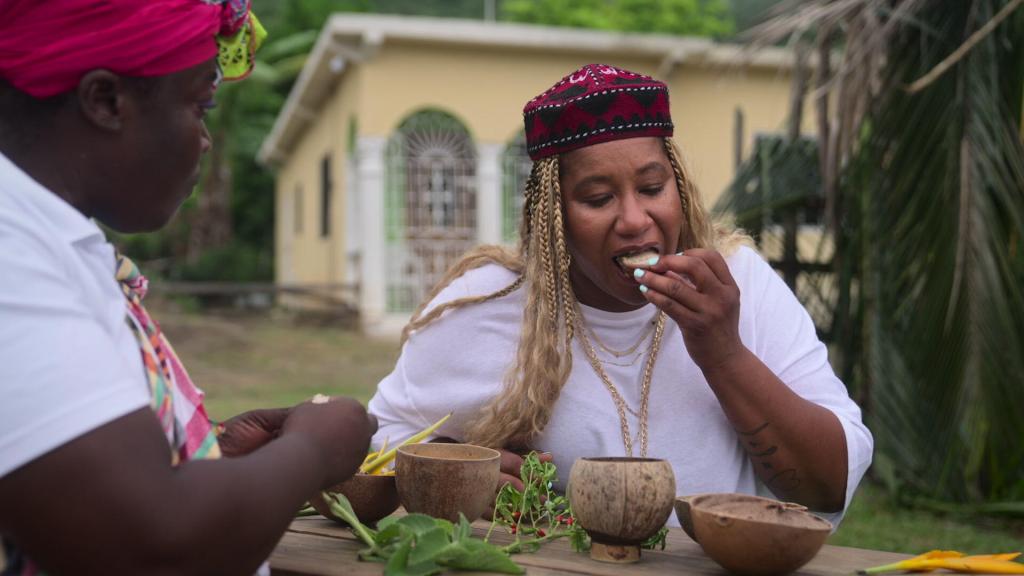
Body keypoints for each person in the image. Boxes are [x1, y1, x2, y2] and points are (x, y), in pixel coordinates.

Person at [368, 63, 873, 525]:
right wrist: (454, 471)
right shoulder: (487, 303)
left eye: (652, 189)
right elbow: (383, 438)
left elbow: (830, 482)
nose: (634, 220)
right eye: (598, 198)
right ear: (554, 218)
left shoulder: (739, 281)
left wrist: (723, 353)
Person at [0, 2, 376, 575]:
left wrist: (207, 451)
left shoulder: (48, 242)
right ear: (105, 102)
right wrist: (313, 452)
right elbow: (154, 544)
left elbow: (84, 483)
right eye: (199, 104)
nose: (204, 139)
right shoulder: (13, 258)